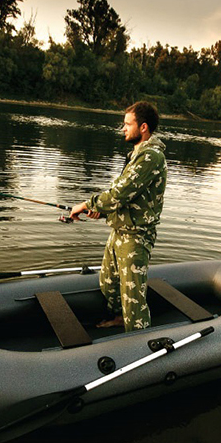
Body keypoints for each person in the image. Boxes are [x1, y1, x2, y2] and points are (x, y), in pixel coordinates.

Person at [69, 102, 167, 332]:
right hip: (120, 232)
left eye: (127, 124)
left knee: (134, 298)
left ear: (143, 127)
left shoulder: (150, 157)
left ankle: (140, 341)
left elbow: (119, 194)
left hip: (136, 237)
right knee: (108, 284)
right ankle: (119, 319)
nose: (123, 129)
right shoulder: (136, 154)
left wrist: (85, 205)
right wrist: (101, 210)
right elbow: (123, 197)